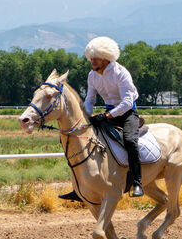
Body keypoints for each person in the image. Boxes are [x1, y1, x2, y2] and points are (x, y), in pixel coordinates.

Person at [59, 36, 143, 201]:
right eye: (91, 58)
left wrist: (106, 116)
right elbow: (90, 100)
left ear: (106, 58)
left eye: (95, 58)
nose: (92, 61)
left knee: (131, 141)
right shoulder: (92, 76)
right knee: (83, 141)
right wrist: (86, 118)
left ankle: (137, 182)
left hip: (127, 114)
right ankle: (79, 188)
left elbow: (127, 102)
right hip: (109, 113)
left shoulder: (121, 73)